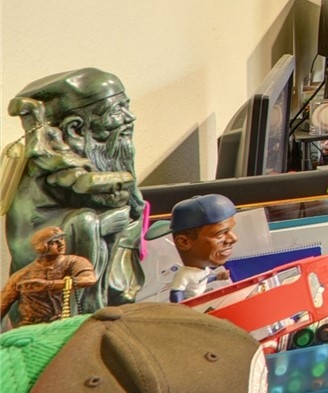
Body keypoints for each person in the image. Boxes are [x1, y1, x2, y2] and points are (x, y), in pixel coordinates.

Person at [3, 68, 145, 310]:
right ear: (75, 129)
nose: (129, 118)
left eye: (126, 106)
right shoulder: (50, 165)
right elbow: (29, 245)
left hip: (96, 273)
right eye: (117, 111)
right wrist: (101, 225)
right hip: (49, 286)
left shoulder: (92, 160)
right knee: (86, 221)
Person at [0, 226, 98, 326]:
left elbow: (89, 278)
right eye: (53, 242)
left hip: (62, 322)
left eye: (62, 239)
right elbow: (2, 304)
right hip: (31, 326)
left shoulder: (73, 262)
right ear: (41, 247)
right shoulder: (21, 276)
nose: (61, 244)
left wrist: (49, 285)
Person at [159, 194, 238, 302]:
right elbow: (177, 292)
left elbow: (201, 280)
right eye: (220, 234)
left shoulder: (203, 270)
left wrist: (217, 277)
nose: (234, 239)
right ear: (184, 242)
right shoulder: (184, 274)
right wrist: (180, 309)